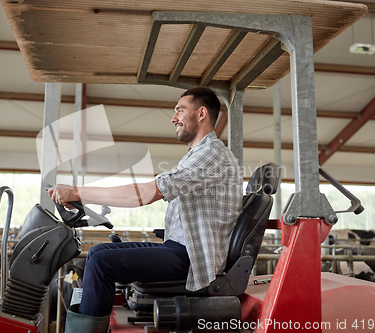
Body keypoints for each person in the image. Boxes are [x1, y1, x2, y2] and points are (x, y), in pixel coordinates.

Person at [48, 87, 242, 333]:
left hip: (194, 258)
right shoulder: (196, 155)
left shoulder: (211, 154)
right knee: (97, 253)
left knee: (101, 263)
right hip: (180, 248)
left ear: (201, 113)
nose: (173, 118)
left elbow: (148, 193)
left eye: (180, 110)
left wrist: (78, 193)